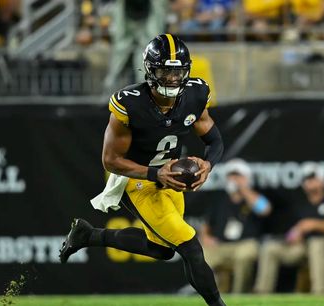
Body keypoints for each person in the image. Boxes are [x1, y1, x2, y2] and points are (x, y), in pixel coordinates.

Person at [59, 34, 226, 306]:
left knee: (161, 249)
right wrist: (154, 174)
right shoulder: (130, 103)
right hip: (135, 177)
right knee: (191, 246)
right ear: (150, 70)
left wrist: (208, 164)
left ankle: (89, 235)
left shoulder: (195, 94)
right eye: (164, 71)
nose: (172, 79)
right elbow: (110, 160)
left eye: (178, 72)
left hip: (168, 177)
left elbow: (214, 139)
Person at [253, 169, 324, 294]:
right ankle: (261, 294)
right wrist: (293, 235)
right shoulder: (300, 206)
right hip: (302, 246)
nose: (310, 182)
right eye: (307, 179)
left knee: (316, 244)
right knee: (270, 248)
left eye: (313, 178)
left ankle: (320, 293)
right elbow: (291, 232)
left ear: (323, 181)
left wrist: (312, 224)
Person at [200, 158, 272, 293]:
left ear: (247, 177)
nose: (233, 179)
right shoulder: (220, 199)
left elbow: (265, 210)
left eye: (237, 175)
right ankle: (212, 297)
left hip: (245, 244)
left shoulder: (253, 197)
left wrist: (244, 189)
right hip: (222, 245)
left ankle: (239, 296)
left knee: (244, 255)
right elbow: (206, 224)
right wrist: (206, 238)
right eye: (231, 175)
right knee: (203, 255)